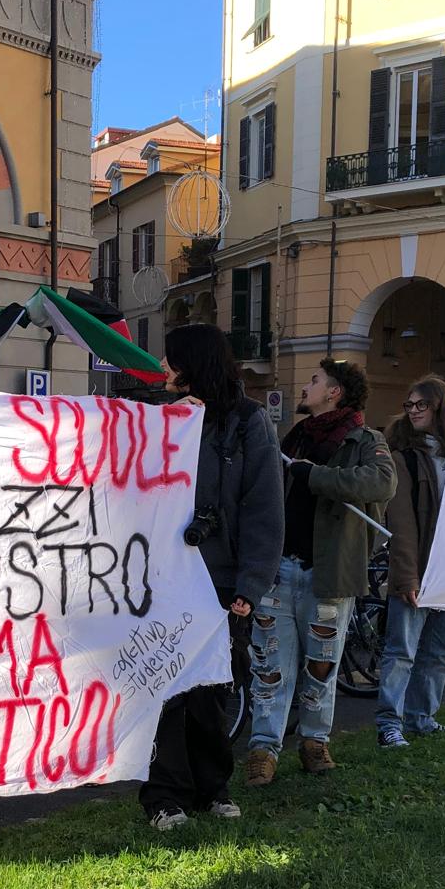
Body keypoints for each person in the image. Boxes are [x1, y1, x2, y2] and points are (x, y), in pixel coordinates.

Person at [139, 323, 283, 830]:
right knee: (166, 691)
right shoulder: (161, 421)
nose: (163, 368)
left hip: (221, 582)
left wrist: (251, 584)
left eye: (171, 359)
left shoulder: (248, 423)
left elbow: (264, 506)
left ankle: (212, 789)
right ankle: (165, 796)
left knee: (211, 690)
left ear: (195, 364)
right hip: (166, 578)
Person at [245, 358, 394, 783]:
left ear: (335, 392)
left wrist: (317, 476)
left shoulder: (365, 440)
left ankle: (315, 743)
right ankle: (263, 750)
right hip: (277, 569)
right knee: (269, 666)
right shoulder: (292, 438)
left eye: (314, 381)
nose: (305, 386)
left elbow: (382, 483)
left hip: (329, 574)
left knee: (322, 665)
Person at [374, 375, 445, 748]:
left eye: (421, 405)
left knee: (438, 650)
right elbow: (403, 526)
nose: (412, 411)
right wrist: (407, 578)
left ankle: (421, 718)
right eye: (409, 405)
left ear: (440, 408)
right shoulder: (405, 459)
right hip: (419, 571)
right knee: (402, 652)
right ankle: (389, 725)